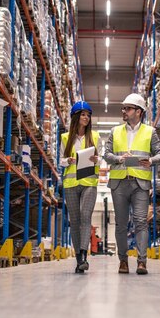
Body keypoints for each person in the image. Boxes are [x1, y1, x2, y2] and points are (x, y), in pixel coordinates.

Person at [104, 93, 160, 275]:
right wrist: (119, 158)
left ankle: (142, 262)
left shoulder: (150, 132)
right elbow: (106, 154)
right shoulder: (115, 132)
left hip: (140, 184)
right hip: (119, 183)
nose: (124, 111)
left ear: (138, 112)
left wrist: (151, 161)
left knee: (140, 223)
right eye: (123, 108)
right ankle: (123, 261)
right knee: (121, 224)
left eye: (128, 108)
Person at [60, 101, 100, 274]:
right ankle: (78, 260)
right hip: (70, 184)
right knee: (75, 222)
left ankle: (84, 256)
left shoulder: (96, 137)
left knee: (85, 216)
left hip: (89, 182)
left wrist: (96, 160)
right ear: (76, 117)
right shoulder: (65, 137)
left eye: (88, 115)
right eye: (83, 114)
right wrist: (68, 160)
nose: (86, 117)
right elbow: (60, 161)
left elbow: (100, 158)